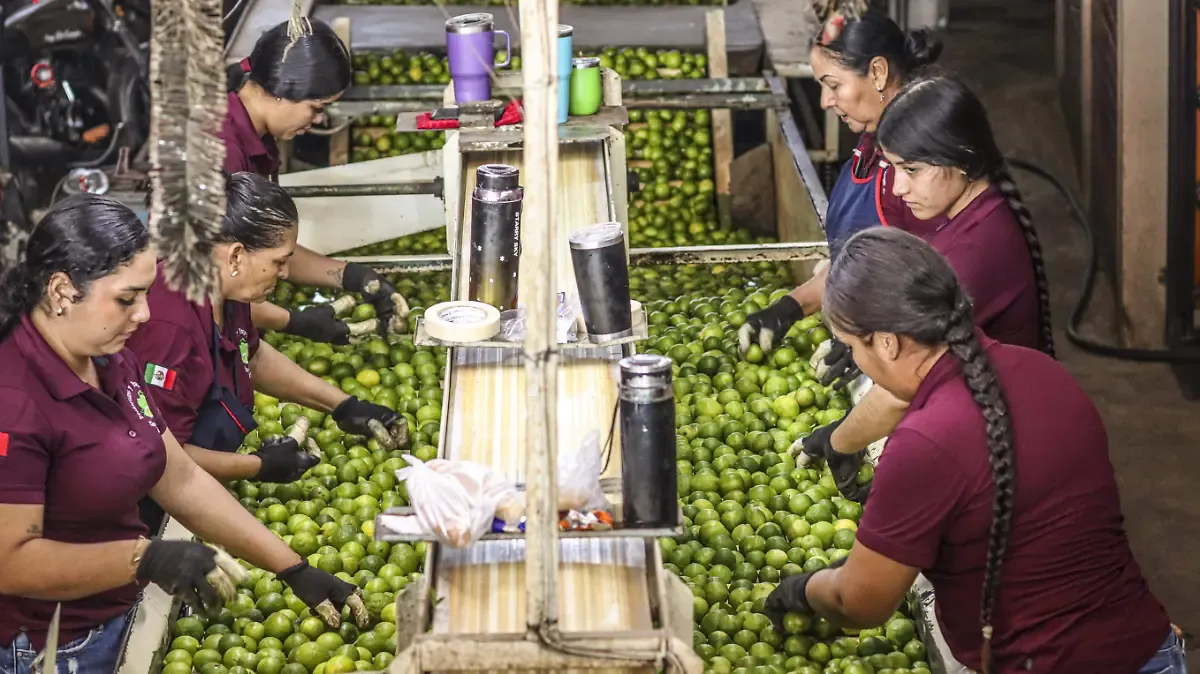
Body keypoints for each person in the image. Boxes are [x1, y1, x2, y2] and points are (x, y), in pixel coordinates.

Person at [763, 227, 1182, 674]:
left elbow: (861, 603)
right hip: (1149, 650)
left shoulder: (925, 444)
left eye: (850, 347)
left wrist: (804, 590)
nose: (854, 360)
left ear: (886, 341)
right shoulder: (1041, 371)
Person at [0, 195, 364, 674]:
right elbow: (11, 562)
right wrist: (143, 559)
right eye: (127, 298)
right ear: (63, 291)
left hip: (114, 613)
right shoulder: (15, 398)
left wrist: (292, 567)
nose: (145, 315)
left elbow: (179, 478)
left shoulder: (111, 360)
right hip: (49, 644)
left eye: (147, 294)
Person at [784, 75, 1057, 501]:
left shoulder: (973, 252)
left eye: (911, 170)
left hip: (1001, 453)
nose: (898, 187)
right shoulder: (970, 214)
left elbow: (903, 387)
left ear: (962, 159)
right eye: (892, 168)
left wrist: (838, 441)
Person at [126, 173, 405, 530]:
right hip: (146, 514)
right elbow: (162, 454)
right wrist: (259, 466)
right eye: (278, 261)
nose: (286, 273)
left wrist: (344, 406)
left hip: (198, 491)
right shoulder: (169, 325)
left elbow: (250, 356)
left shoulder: (228, 291)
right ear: (236, 256)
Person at [737, 7, 942, 354]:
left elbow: (937, 292)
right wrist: (791, 307)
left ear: (877, 72)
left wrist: (876, 345)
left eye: (833, 85)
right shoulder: (870, 145)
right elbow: (860, 268)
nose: (825, 101)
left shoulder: (920, 169)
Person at [223, 17, 405, 346]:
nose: (319, 120)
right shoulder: (223, 153)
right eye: (316, 107)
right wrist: (294, 321)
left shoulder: (257, 139)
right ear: (282, 91)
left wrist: (354, 277)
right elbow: (218, 279)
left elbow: (265, 247)